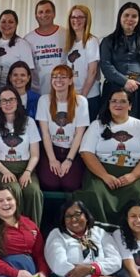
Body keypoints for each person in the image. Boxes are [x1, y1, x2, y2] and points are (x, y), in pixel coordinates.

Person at [74, 89, 140, 225]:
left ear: (130, 105)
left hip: (132, 173)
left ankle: (136, 231)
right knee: (94, 194)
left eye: (123, 101)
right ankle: (100, 231)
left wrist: (133, 176)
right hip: (101, 172)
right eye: (114, 101)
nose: (118, 104)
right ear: (108, 104)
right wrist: (105, 176)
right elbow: (86, 153)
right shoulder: (97, 125)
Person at [0, 87, 43, 224]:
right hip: (3, 167)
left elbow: (35, 154)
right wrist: (6, 172)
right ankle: (14, 228)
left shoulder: (29, 122)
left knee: (33, 191)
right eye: (4, 101)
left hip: (26, 167)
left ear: (18, 102)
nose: (8, 103)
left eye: (11, 100)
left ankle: (32, 229)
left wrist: (28, 172)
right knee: (14, 190)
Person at [99, 2, 140, 122]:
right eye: (126, 15)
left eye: (134, 16)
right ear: (120, 17)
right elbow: (105, 65)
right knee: (112, 124)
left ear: (139, 19)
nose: (130, 19)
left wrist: (137, 82)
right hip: (115, 87)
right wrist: (125, 81)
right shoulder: (108, 41)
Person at [36, 64, 89, 192]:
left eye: (63, 77)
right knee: (50, 183)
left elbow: (79, 134)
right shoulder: (44, 100)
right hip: (51, 149)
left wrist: (69, 160)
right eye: (55, 77)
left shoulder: (81, 101)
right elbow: (45, 133)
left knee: (71, 184)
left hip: (72, 151)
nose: (58, 80)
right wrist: (52, 160)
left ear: (70, 81)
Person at [61, 5, 102, 117]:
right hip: (73, 96)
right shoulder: (70, 42)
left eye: (80, 17)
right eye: (73, 17)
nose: (76, 20)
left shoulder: (91, 41)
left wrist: (82, 97)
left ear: (87, 20)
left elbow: (92, 72)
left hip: (88, 97)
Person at [24, 0, 66, 96]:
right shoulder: (28, 39)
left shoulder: (66, 34)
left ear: (54, 14)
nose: (44, 15)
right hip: (37, 93)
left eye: (48, 11)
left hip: (63, 92)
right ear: (36, 16)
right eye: (40, 12)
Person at [0, 10, 34, 89]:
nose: (6, 24)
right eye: (3, 21)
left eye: (10, 22)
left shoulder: (22, 44)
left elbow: (29, 72)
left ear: (16, 25)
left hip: (14, 89)